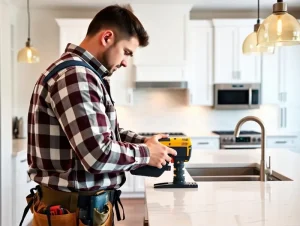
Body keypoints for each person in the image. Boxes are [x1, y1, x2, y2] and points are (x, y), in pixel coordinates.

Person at [23, 4, 177, 226]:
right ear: (107, 37)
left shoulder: (85, 74)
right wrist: (145, 154)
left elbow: (104, 134)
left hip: (81, 211)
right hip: (74, 212)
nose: (125, 62)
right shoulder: (76, 75)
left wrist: (143, 142)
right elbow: (98, 154)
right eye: (126, 52)